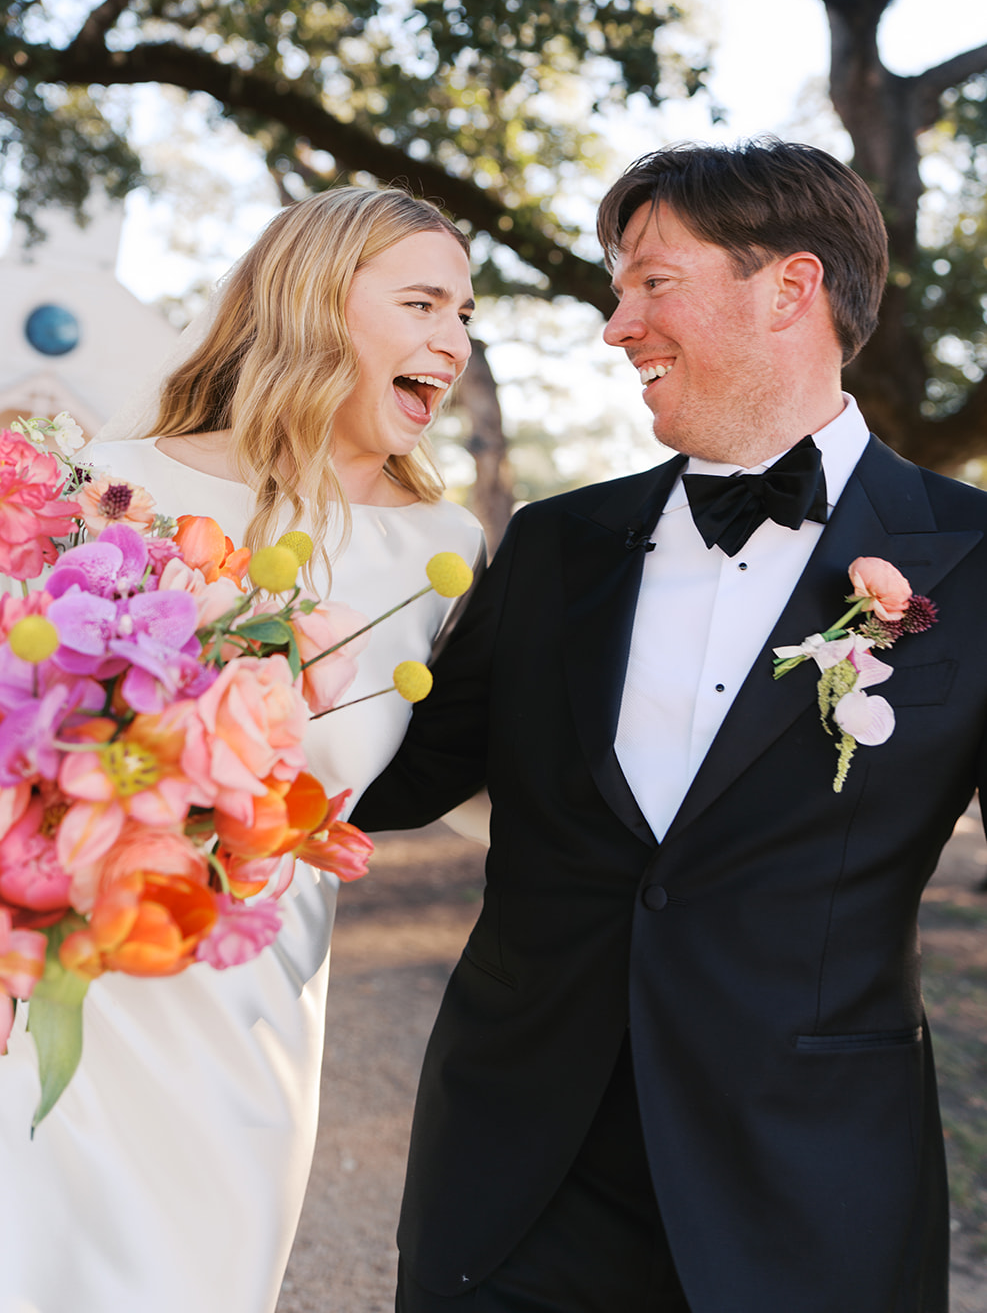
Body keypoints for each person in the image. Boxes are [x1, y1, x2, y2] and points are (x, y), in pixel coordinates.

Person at [352, 139, 987, 1313]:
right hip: (516, 1180)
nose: (616, 326)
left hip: (807, 1194)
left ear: (789, 288)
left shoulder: (971, 557)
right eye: (616, 289)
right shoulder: (553, 543)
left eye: (652, 282)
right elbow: (395, 774)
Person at [0, 187, 483, 1313]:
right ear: (314, 303)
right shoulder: (114, 483)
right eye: (422, 303)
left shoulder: (445, 546)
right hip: (51, 979)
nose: (454, 342)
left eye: (465, 315)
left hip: (243, 1012)